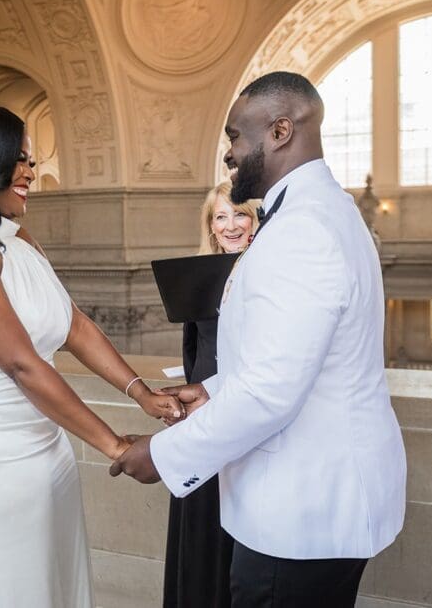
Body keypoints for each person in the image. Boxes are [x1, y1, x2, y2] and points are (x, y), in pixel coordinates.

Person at [110, 72, 407, 607]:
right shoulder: (324, 211)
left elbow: (271, 390)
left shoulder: (302, 229)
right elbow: (294, 358)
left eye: (235, 137)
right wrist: (213, 390)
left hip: (299, 514)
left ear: (280, 131)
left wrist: (163, 454)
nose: (229, 153)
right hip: (315, 504)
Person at [0, 99, 183, 608]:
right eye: (17, 158)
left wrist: (142, 394)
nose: (30, 171)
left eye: (31, 160)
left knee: (52, 585)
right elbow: (21, 364)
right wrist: (113, 446)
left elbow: (75, 325)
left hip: (46, 451)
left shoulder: (18, 239)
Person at [165, 181, 258, 608]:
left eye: (240, 214)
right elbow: (192, 350)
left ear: (255, 221)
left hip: (247, 418)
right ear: (211, 226)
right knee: (200, 524)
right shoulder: (199, 277)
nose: (231, 225)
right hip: (201, 420)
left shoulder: (268, 273)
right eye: (221, 216)